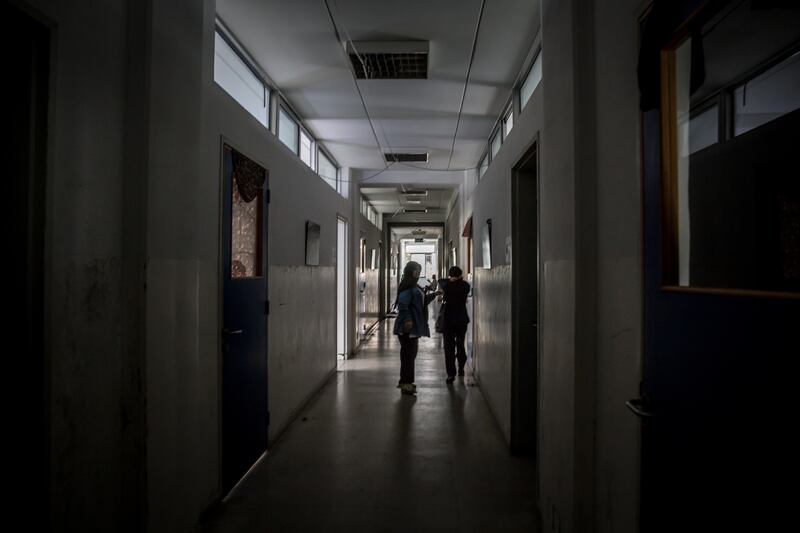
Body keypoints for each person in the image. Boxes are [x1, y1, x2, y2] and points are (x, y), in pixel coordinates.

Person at [393, 261, 436, 395]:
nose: (417, 272)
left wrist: (435, 294)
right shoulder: (407, 286)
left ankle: (407, 382)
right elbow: (402, 304)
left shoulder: (414, 285)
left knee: (410, 354)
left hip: (413, 327)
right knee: (408, 355)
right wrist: (407, 319)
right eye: (415, 270)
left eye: (419, 270)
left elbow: (421, 302)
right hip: (407, 327)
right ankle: (405, 383)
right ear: (409, 271)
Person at [440, 266, 470, 383]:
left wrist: (451, 280)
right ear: (460, 274)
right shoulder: (465, 286)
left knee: (449, 348)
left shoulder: (447, 286)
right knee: (460, 345)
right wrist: (458, 279)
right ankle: (461, 369)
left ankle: (451, 374)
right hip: (462, 319)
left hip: (448, 320)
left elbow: (442, 282)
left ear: (450, 275)